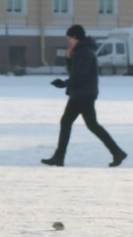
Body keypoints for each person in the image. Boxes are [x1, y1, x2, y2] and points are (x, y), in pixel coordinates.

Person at [43, 24, 126, 167]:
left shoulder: (84, 53)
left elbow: (80, 76)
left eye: (69, 38)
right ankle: (59, 157)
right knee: (70, 122)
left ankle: (117, 152)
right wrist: (69, 58)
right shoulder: (80, 51)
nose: (68, 41)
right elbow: (75, 72)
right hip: (80, 94)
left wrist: (64, 84)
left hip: (84, 94)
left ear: (75, 37)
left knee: (90, 125)